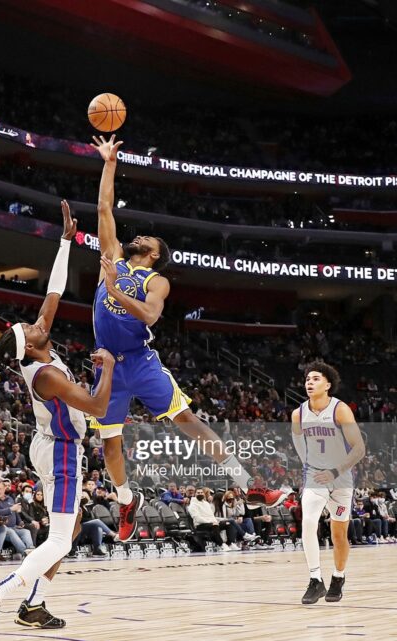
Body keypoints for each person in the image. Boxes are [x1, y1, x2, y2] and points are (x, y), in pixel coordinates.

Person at [88, 135, 285, 543]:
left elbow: (149, 315)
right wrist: (109, 163)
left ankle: (250, 488)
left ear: (155, 254)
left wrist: (115, 289)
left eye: (148, 240)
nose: (140, 237)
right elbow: (104, 207)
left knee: (188, 422)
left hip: (139, 360)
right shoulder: (114, 256)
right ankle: (126, 500)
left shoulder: (156, 281)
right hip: (106, 365)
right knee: (109, 446)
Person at [0, 201, 117, 638]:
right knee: (59, 538)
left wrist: (65, 241)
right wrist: (108, 366)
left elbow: (53, 293)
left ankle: (33, 606)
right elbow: (97, 407)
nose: (37, 323)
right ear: (30, 347)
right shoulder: (48, 374)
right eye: (31, 329)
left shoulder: (37, 349)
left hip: (50, 446)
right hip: (61, 451)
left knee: (69, 528)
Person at [291, 362, 365, 605]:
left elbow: (359, 449)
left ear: (328, 385)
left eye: (316, 379)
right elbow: (300, 448)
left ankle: (338, 576)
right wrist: (312, 468)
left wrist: (335, 471)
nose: (309, 383)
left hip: (341, 477)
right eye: (307, 379)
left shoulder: (340, 410)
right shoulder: (298, 414)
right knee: (309, 522)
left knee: (339, 535)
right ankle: (315, 580)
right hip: (316, 476)